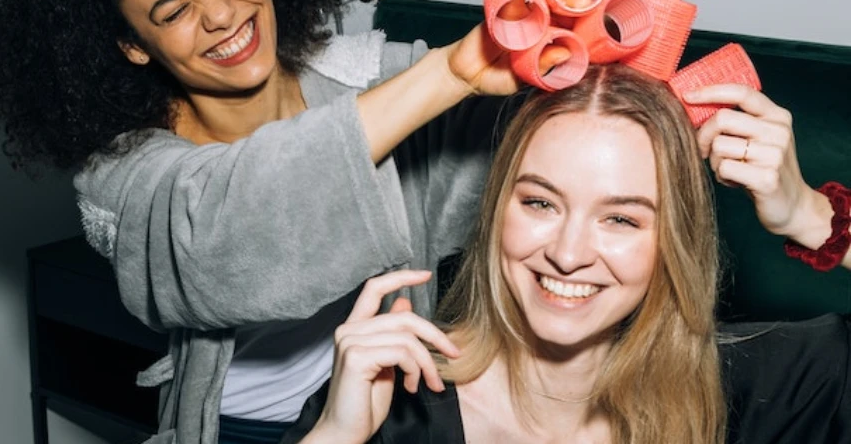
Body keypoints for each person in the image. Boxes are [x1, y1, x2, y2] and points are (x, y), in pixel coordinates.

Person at [0, 0, 718, 442]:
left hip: (402, 411)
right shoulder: (128, 183)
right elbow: (243, 226)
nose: (221, 15)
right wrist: (453, 69)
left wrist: (596, 23)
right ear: (130, 46)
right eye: (175, 8)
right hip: (250, 432)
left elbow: (528, 159)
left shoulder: (373, 81)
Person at [282, 64, 851, 444]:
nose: (568, 253)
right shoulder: (391, 402)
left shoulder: (749, 391)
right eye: (540, 203)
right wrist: (334, 435)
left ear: (672, 242)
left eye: (621, 218)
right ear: (497, 206)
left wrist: (808, 214)